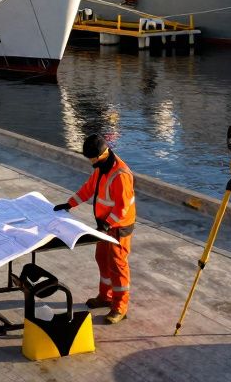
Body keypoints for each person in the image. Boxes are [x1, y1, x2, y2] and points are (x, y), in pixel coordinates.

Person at [54, 134, 136, 324]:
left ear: (99, 156)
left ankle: (119, 307)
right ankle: (105, 297)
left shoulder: (121, 174)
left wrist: (108, 224)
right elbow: (89, 188)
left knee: (118, 265)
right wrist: (69, 204)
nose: (90, 162)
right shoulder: (102, 168)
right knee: (102, 259)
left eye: (91, 159)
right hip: (105, 226)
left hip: (118, 227)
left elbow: (122, 207)